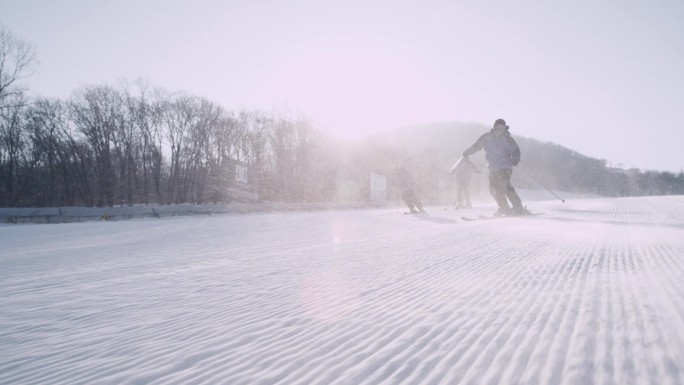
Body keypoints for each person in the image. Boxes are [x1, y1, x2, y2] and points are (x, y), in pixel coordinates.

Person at [462, 118, 530, 216]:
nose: (499, 129)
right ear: (494, 126)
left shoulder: (507, 138)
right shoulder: (487, 137)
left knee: (504, 185)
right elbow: (477, 146)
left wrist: (515, 159)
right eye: (497, 126)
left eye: (502, 127)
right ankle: (504, 208)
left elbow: (516, 150)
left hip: (505, 166)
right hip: (493, 167)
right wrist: (468, 152)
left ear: (504, 128)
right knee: (493, 189)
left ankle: (518, 206)